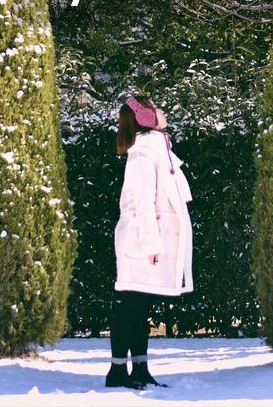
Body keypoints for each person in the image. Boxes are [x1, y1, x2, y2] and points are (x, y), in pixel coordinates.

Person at [105, 95, 193, 389]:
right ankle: (117, 372)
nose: (162, 111)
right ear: (146, 118)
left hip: (148, 241)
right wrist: (152, 245)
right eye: (156, 108)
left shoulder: (156, 150)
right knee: (131, 305)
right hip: (141, 242)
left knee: (141, 307)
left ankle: (139, 370)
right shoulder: (143, 156)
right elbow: (142, 204)